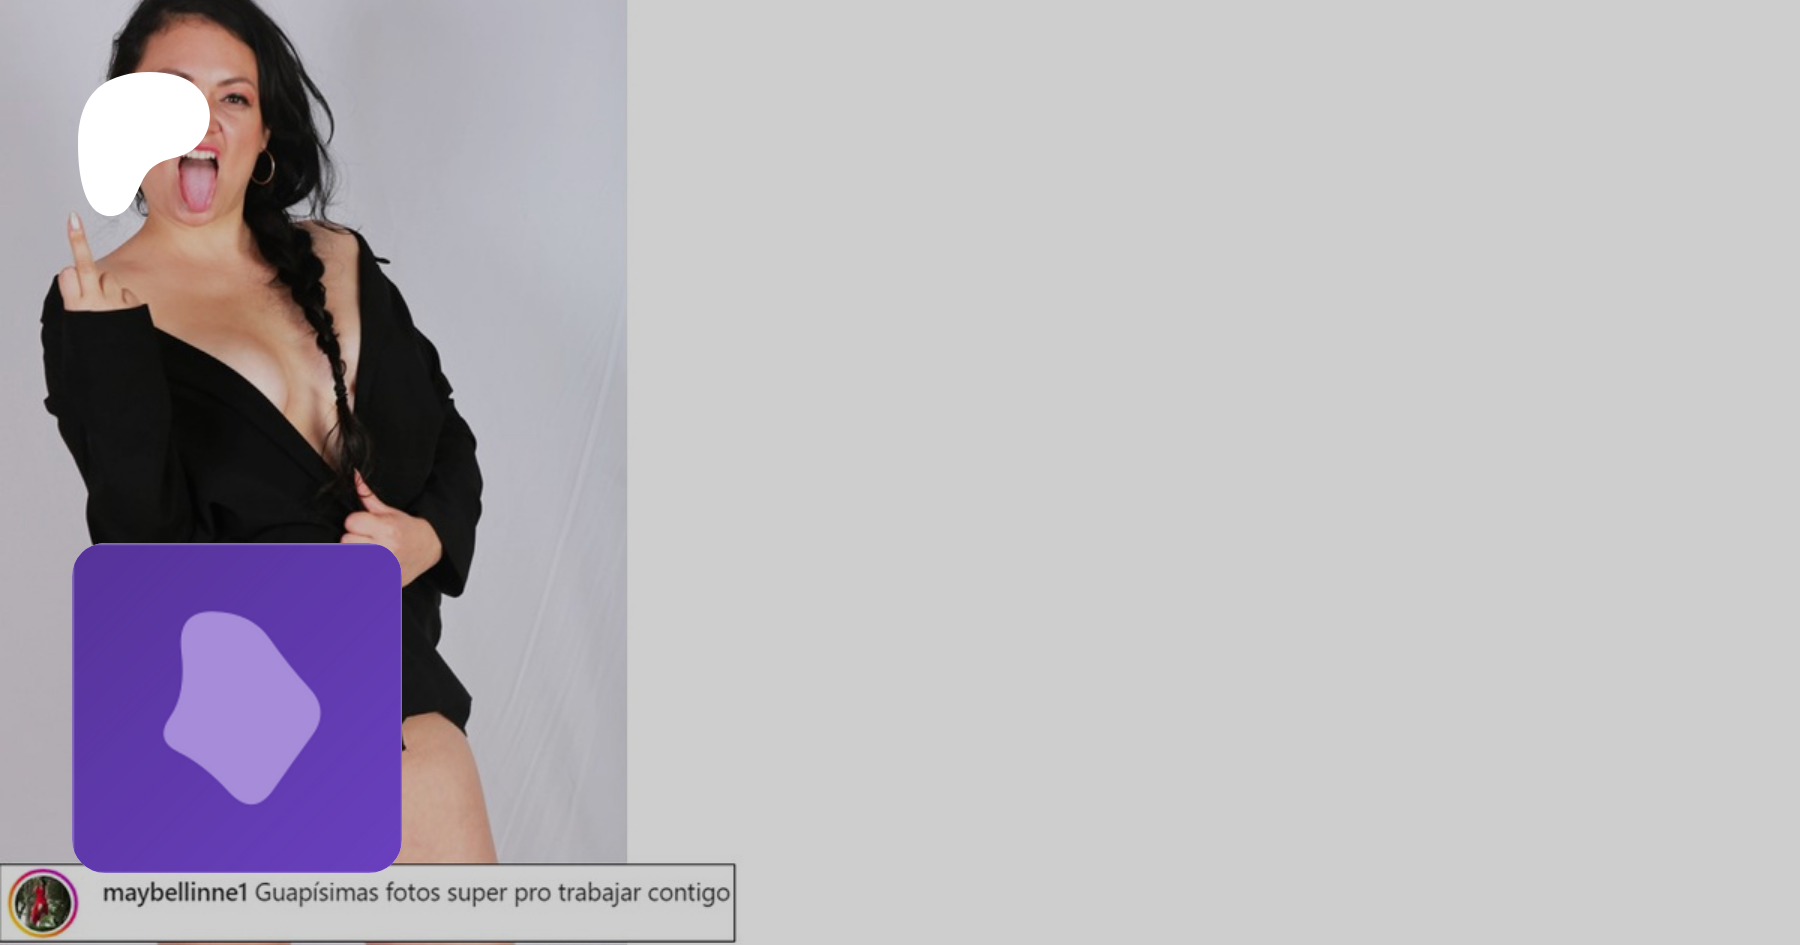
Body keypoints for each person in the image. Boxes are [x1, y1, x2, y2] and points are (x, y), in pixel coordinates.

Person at [40, 3, 500, 942]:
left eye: (233, 98)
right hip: (216, 736)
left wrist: (425, 538)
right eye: (170, 96)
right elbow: (144, 553)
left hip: (390, 699)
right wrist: (110, 358)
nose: (202, 123)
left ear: (263, 135)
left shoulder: (338, 259)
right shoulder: (93, 307)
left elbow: (448, 439)